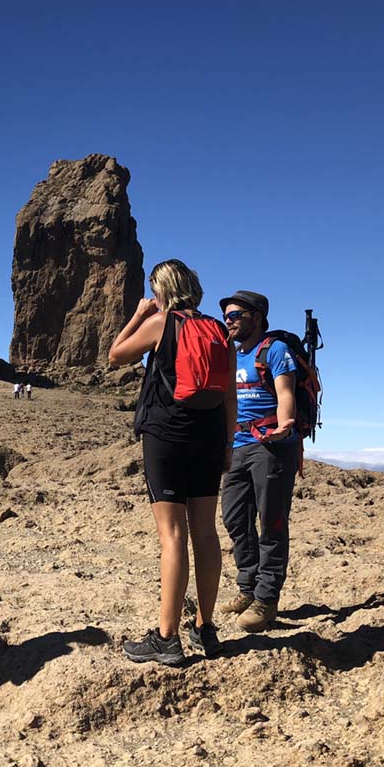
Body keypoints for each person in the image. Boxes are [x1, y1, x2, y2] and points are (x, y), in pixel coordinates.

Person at [108, 259, 236, 664]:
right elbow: (230, 394)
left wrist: (139, 314)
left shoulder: (162, 323)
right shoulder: (218, 330)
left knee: (172, 536)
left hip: (167, 437)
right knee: (206, 532)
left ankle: (166, 639)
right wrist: (228, 446)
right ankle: (205, 629)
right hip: (210, 438)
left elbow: (115, 356)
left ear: (162, 289)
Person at [216, 290, 298, 633]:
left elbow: (286, 392)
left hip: (271, 446)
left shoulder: (275, 350)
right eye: (227, 315)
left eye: (236, 314)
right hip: (237, 446)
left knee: (272, 523)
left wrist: (284, 424)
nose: (229, 319)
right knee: (235, 518)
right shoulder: (234, 355)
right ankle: (248, 587)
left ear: (258, 316)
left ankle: (267, 598)